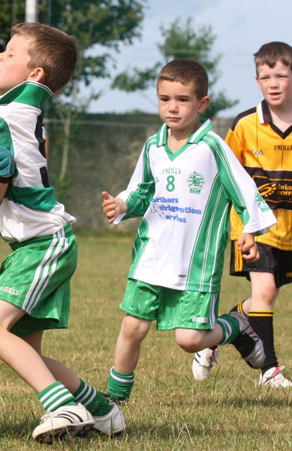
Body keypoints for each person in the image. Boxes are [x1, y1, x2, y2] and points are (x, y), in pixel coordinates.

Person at [0, 22, 125, 443]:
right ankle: (102, 410)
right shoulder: (11, 110)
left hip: (43, 245)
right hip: (41, 245)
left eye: (9, 53)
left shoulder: (4, 113)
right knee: (30, 353)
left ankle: (62, 407)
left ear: (35, 74)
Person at [101, 58, 277, 403]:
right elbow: (141, 189)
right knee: (132, 327)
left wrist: (250, 230)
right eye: (165, 99)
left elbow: (243, 190)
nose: (172, 108)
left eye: (182, 100)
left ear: (202, 104)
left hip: (194, 264)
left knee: (190, 340)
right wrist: (123, 205)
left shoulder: (212, 147)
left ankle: (238, 326)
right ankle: (114, 399)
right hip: (151, 257)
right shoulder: (153, 146)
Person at [192, 42, 292, 387]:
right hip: (254, 227)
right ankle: (270, 370)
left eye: (281, 75)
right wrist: (236, 227)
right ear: (257, 81)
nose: (274, 83)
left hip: (289, 232)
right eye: (266, 77)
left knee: (263, 299)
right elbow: (225, 177)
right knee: (264, 290)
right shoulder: (245, 125)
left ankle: (216, 333)